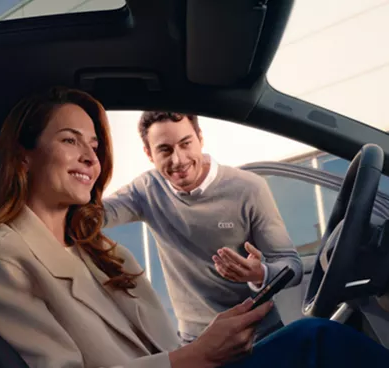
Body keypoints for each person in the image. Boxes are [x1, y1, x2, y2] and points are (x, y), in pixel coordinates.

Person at [0, 87, 389, 368]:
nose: (92, 158)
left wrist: (219, 332)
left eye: (94, 145)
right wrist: (198, 356)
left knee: (314, 352)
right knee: (315, 346)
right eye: (70, 140)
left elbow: (281, 263)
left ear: (201, 141)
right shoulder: (0, 258)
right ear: (22, 155)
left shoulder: (99, 252)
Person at [102, 112, 300, 343]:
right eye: (165, 150)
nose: (178, 159)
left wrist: (260, 274)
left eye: (185, 144)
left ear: (200, 138)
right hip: (197, 342)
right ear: (149, 153)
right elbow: (93, 216)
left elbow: (292, 267)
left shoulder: (249, 188)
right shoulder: (146, 190)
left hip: (260, 335)